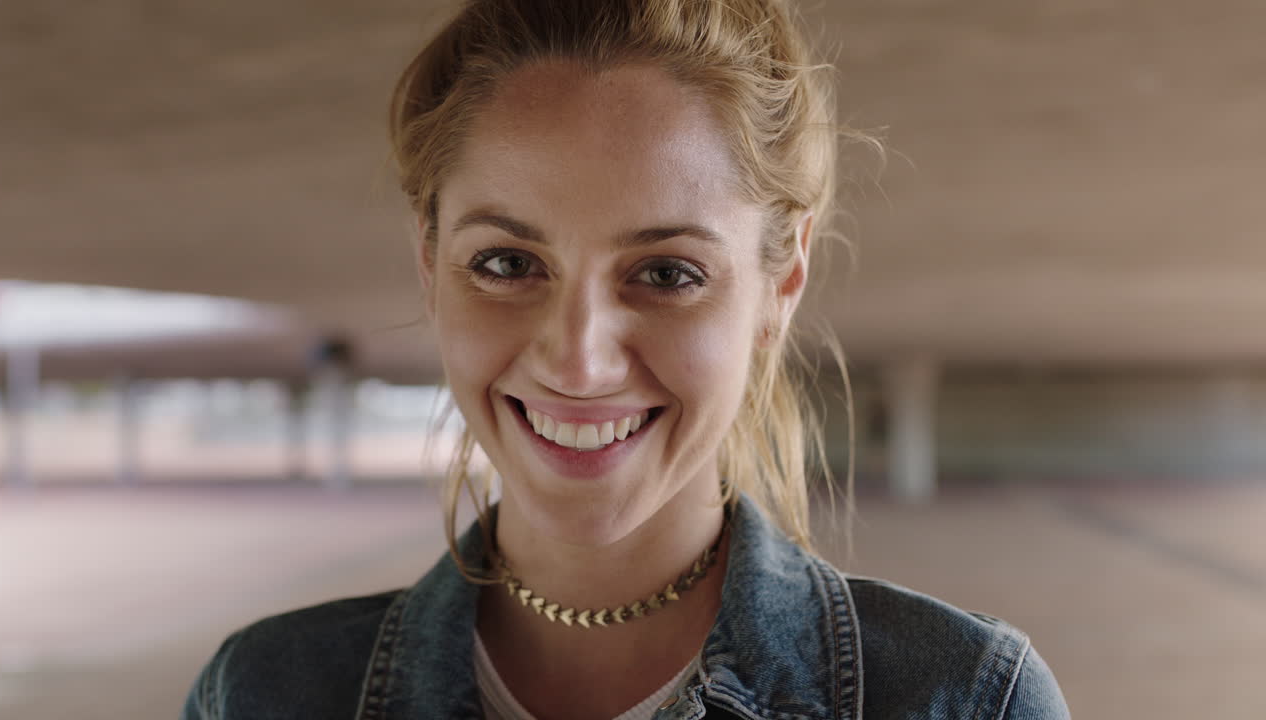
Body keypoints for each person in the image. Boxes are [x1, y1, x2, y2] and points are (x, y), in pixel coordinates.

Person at [182, 1, 1071, 718]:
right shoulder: (265, 693)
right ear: (429, 261)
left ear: (782, 281)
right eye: (506, 264)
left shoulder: (965, 698)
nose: (578, 359)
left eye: (666, 273)